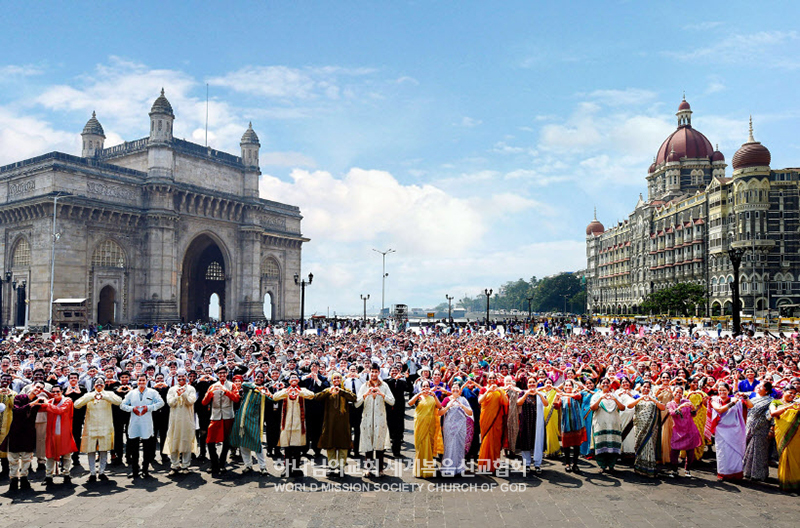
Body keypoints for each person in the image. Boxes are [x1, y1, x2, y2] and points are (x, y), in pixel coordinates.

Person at [74, 378, 123, 482]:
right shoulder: (89, 394)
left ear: (104, 384)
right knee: (90, 450)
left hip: (105, 426)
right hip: (91, 427)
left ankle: (101, 472)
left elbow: (119, 401)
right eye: (97, 383)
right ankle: (92, 473)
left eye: (101, 383)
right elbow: (76, 405)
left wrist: (104, 396)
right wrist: (92, 396)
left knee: (104, 450)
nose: (99, 384)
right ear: (94, 385)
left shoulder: (109, 393)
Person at [120, 373, 165, 479]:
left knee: (147, 448)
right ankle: (135, 470)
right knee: (134, 448)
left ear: (147, 381)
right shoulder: (131, 393)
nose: (141, 382)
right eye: (139, 380)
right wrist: (132, 409)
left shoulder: (152, 392)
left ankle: (145, 470)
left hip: (146, 422)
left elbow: (161, 403)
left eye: (143, 380)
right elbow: (122, 405)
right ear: (137, 381)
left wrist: (148, 408)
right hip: (134, 422)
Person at [313, 371, 356, 478]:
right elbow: (317, 397)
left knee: (343, 446)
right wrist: (328, 392)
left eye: (338, 378)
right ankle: (332, 467)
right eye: (334, 379)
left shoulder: (345, 391)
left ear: (341, 380)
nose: (336, 380)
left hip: (343, 424)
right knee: (330, 445)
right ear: (332, 381)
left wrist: (341, 392)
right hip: (330, 423)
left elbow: (354, 398)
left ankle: (341, 468)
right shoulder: (328, 390)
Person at [356, 364, 395, 477]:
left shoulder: (384, 386)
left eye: (375, 372)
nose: (373, 374)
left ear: (379, 373)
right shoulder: (364, 386)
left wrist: (382, 394)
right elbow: (357, 403)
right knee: (368, 445)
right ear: (369, 373)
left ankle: (380, 469)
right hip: (367, 419)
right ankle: (368, 469)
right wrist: (366, 394)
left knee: (379, 445)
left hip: (380, 419)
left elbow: (392, 401)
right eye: (372, 372)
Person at [229, 370, 272, 474]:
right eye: (257, 376)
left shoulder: (264, 391)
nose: (259, 379)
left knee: (257, 443)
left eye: (261, 377)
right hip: (242, 419)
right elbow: (243, 383)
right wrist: (256, 387)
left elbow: (272, 400)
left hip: (254, 420)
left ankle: (263, 467)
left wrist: (267, 393)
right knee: (243, 443)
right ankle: (248, 465)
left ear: (264, 379)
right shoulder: (249, 387)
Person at [272, 373, 315, 477]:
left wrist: (298, 392)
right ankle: (287, 469)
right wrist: (287, 391)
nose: (294, 379)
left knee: (296, 449)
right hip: (286, 424)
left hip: (298, 425)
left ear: (298, 380)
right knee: (287, 449)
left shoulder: (302, 390)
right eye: (292, 378)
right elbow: (274, 397)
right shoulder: (285, 391)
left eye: (295, 377)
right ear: (289, 381)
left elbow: (312, 395)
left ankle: (296, 469)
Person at [4, 382, 44, 492]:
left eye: (41, 389)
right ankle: (13, 479)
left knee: (27, 457)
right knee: (13, 458)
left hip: (29, 432)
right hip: (16, 431)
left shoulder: (39, 400)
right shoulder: (19, 397)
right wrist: (31, 404)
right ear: (32, 386)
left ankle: (24, 477)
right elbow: (16, 411)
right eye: (37, 387)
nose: (38, 390)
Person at [201, 365, 240, 476]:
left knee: (226, 442)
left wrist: (226, 391)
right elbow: (204, 402)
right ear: (217, 374)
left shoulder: (232, 385)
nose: (222, 375)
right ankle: (214, 463)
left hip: (228, 416)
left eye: (224, 373)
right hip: (216, 416)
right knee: (210, 441)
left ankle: (222, 463)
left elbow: (237, 399)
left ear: (227, 373)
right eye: (220, 373)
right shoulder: (213, 386)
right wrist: (210, 393)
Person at [710, 382, 753, 482]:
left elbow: (750, 406)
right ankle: (723, 473)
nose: (722, 392)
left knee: (735, 453)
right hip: (721, 430)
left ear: (728, 391)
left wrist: (745, 397)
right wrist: (733, 402)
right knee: (722, 453)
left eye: (724, 390)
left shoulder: (736, 400)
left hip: (735, 430)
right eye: (720, 390)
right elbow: (719, 410)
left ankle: (736, 474)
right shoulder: (714, 399)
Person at [40, 384, 77, 486]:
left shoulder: (67, 400)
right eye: (53, 392)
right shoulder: (50, 402)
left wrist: (46, 404)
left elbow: (60, 410)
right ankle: (48, 476)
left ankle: (66, 474)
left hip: (64, 432)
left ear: (62, 392)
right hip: (52, 433)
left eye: (58, 391)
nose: (55, 393)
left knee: (66, 455)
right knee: (50, 455)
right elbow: (39, 408)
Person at [163, 371, 198, 474]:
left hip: (187, 419)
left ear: (186, 377)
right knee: (174, 440)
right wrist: (177, 396)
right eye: (179, 376)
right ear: (176, 377)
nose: (181, 378)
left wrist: (183, 394)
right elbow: (170, 403)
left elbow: (191, 401)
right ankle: (174, 465)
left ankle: (185, 465)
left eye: (183, 376)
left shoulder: (191, 389)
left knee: (186, 440)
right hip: (174, 420)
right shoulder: (172, 389)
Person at [629, 380, 665, 478]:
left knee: (650, 446)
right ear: (641, 388)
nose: (646, 389)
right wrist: (640, 398)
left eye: (648, 387)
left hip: (651, 427)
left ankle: (649, 469)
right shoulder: (636, 397)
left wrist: (652, 400)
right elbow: (629, 406)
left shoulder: (654, 398)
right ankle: (639, 468)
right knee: (640, 445)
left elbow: (663, 407)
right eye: (644, 387)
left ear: (650, 389)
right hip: (639, 425)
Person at [408, 380, 443, 477]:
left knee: (429, 447)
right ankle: (419, 471)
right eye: (424, 386)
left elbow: (440, 406)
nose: (425, 388)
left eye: (427, 386)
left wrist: (435, 396)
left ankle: (428, 471)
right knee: (420, 446)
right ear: (421, 387)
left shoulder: (432, 398)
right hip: (420, 424)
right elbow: (409, 403)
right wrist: (418, 393)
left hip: (430, 425)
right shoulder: (418, 398)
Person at [589, 378, 624, 473]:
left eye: (607, 383)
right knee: (601, 443)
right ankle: (602, 465)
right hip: (601, 424)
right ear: (600, 385)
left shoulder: (615, 395)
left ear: (610, 385)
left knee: (613, 444)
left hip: (613, 424)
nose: (605, 384)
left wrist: (615, 399)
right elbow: (592, 408)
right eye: (603, 383)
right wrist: (601, 398)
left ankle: (612, 465)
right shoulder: (596, 395)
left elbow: (622, 408)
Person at [770, 385, 800, 492]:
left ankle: (796, 482)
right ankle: (786, 482)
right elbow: (773, 413)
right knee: (785, 455)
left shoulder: (797, 403)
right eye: (790, 392)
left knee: (796, 457)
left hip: (796, 435)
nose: (792, 395)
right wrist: (788, 407)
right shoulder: (776, 402)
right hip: (783, 433)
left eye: (794, 393)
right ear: (783, 392)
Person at [666, 385, 701, 478]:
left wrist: (693, 408)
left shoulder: (687, 401)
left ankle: (687, 470)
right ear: (673, 393)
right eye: (676, 392)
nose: (678, 394)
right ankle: (674, 470)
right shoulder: (670, 404)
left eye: (680, 392)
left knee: (690, 452)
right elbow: (673, 413)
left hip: (690, 429)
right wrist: (680, 407)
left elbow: (693, 415)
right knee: (674, 450)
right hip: (677, 430)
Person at [743, 381, 774, 482]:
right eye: (758, 386)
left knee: (759, 452)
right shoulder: (753, 398)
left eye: (761, 387)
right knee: (748, 450)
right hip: (750, 426)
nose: (758, 387)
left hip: (762, 428)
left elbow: (772, 416)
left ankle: (758, 474)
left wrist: (771, 429)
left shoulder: (771, 401)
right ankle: (747, 472)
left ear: (767, 390)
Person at [440, 380, 472, 477]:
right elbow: (439, 413)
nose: (455, 389)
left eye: (457, 388)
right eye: (453, 387)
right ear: (451, 389)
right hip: (449, 427)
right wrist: (447, 407)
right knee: (449, 446)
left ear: (460, 390)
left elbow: (470, 413)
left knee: (459, 446)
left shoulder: (463, 400)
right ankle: (448, 468)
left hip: (460, 427)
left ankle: (459, 467)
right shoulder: (446, 399)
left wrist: (462, 406)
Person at [477, 373, 508, 473]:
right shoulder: (483, 389)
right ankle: (484, 465)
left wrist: (500, 391)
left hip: (497, 420)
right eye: (490, 378)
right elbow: (479, 401)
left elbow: (506, 402)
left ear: (496, 379)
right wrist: (488, 391)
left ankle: (494, 466)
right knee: (485, 440)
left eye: (494, 378)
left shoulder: (501, 390)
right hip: (486, 419)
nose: (492, 379)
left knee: (495, 442)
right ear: (487, 379)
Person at [554, 379, 586, 472]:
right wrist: (556, 397)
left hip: (577, 424)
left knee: (577, 445)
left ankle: (575, 464)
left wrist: (563, 394)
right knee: (566, 446)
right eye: (566, 386)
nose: (568, 387)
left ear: (572, 387)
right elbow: (556, 406)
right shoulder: (562, 397)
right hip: (566, 423)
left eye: (569, 385)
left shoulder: (576, 394)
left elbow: (577, 396)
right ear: (563, 387)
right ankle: (567, 463)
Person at [516, 377, 546, 474]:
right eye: (530, 382)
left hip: (538, 423)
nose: (532, 384)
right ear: (527, 384)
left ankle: (537, 464)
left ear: (537, 383)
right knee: (525, 442)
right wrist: (526, 394)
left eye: (534, 382)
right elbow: (518, 403)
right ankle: (527, 464)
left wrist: (539, 395)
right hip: (526, 422)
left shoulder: (541, 393)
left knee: (538, 442)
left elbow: (546, 404)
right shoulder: (523, 393)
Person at [300, 361, 329, 458]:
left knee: (317, 429)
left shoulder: (322, 378)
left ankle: (317, 450)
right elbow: (298, 382)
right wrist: (306, 377)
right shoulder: (306, 377)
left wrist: (317, 379)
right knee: (306, 428)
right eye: (313, 366)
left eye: (316, 366)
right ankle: (304, 449)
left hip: (318, 408)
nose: (314, 368)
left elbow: (326, 388)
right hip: (307, 407)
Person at [62, 372, 86, 467]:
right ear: (68, 380)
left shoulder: (83, 389)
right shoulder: (64, 390)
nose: (73, 379)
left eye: (75, 378)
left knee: (77, 437)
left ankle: (76, 457)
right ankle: (63, 458)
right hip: (66, 417)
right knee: (65, 437)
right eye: (71, 378)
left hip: (78, 417)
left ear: (78, 379)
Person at [384, 365, 407, 458]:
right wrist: (394, 379)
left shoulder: (402, 382)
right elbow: (389, 386)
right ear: (389, 372)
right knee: (386, 430)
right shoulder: (386, 381)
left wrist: (408, 379)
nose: (394, 372)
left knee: (398, 431)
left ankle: (396, 451)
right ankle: (383, 449)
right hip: (388, 409)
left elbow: (409, 389)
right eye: (392, 371)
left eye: (396, 371)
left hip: (399, 410)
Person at [0, 373, 17, 480]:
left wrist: (8, 395)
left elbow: (14, 405)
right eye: (3, 379)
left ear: (10, 381)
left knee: (4, 447)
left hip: (7, 424)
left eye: (8, 379)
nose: (5, 381)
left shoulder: (14, 393)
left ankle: (5, 470)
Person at [542, 378, 561, 458]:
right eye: (547, 382)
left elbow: (561, 392)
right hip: (542, 414)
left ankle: (554, 450)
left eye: (550, 382)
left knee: (552, 432)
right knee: (545, 433)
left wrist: (554, 387)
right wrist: (544, 387)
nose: (548, 384)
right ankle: (548, 449)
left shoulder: (554, 392)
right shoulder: (541, 392)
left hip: (552, 414)